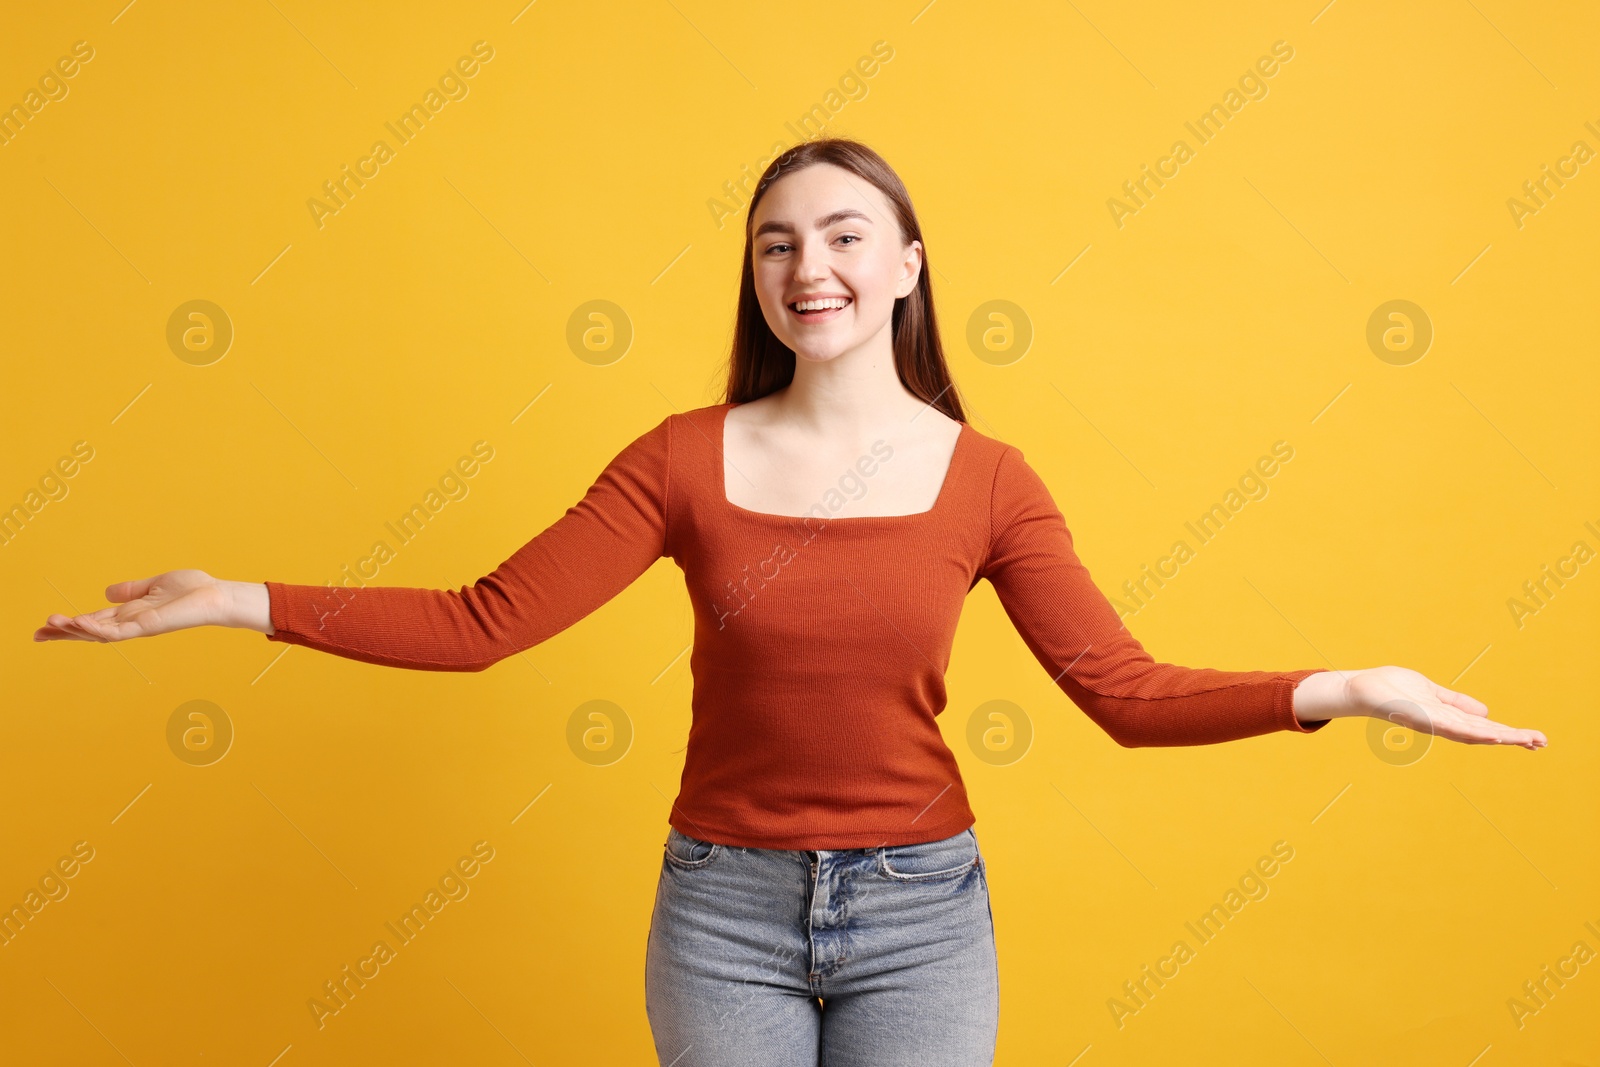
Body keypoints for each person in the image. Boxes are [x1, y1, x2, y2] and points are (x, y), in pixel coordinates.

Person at [34, 138, 1547, 1066]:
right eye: (775, 244)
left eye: (837, 237)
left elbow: (1123, 695)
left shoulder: (988, 481)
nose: (804, 265)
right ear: (755, 280)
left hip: (922, 920)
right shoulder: (684, 462)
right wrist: (241, 599)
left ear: (903, 266)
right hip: (725, 918)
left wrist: (1343, 689)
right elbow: (489, 620)